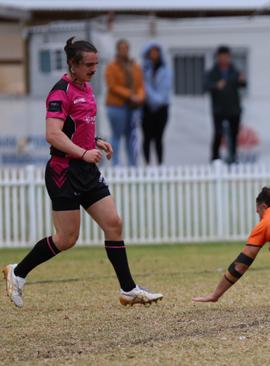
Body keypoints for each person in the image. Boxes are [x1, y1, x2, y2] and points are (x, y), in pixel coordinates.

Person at [2, 37, 162, 308]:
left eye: (96, 64)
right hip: (63, 171)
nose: (93, 69)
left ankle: (128, 289)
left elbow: (75, 126)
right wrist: (83, 152)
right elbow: (53, 135)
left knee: (113, 223)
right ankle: (18, 272)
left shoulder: (86, 88)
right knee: (66, 239)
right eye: (88, 64)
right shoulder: (60, 92)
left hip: (86, 169)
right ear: (72, 65)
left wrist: (95, 141)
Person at [203, 45, 246, 164]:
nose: (223, 59)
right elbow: (206, 86)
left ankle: (233, 157)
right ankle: (215, 158)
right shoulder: (212, 72)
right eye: (221, 57)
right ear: (217, 57)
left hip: (233, 108)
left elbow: (242, 85)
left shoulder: (234, 71)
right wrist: (216, 86)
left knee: (234, 134)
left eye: (226, 56)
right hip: (219, 109)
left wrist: (242, 80)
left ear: (229, 57)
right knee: (218, 133)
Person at [105, 39, 145, 166]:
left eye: (126, 48)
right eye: (121, 48)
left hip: (132, 107)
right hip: (116, 106)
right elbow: (112, 86)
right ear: (117, 50)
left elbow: (140, 85)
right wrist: (130, 95)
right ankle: (115, 164)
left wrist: (139, 96)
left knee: (131, 137)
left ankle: (133, 165)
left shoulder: (135, 66)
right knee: (116, 136)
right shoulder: (111, 66)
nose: (124, 50)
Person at [141, 41, 172, 165]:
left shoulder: (166, 70)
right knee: (147, 137)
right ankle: (147, 163)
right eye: (151, 52)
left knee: (159, 138)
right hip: (146, 108)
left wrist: (150, 95)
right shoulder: (144, 69)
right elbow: (141, 85)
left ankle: (160, 164)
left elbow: (164, 91)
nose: (154, 54)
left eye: (156, 52)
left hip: (161, 108)